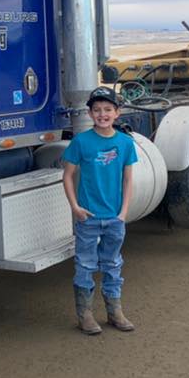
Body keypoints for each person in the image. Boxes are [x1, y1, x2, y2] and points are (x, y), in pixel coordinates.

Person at [61, 86, 138, 335]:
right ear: (90, 113)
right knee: (85, 265)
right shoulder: (81, 142)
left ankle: (114, 311)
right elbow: (68, 176)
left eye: (107, 109)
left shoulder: (125, 144)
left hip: (114, 218)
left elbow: (128, 180)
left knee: (112, 263)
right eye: (97, 110)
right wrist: (75, 207)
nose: (102, 114)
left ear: (117, 113)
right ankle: (85, 315)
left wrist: (123, 212)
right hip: (88, 217)